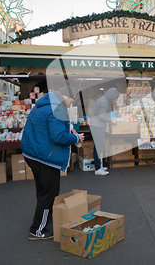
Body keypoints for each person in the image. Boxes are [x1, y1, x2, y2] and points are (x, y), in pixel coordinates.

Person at [21, 86, 84, 240]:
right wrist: (76, 138)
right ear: (65, 96)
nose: (70, 104)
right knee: (49, 193)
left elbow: (47, 127)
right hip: (45, 157)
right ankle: (37, 229)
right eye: (70, 100)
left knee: (43, 191)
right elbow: (58, 137)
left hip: (33, 153)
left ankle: (44, 218)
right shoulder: (58, 109)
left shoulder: (45, 104)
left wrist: (68, 129)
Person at [89, 88, 120, 176]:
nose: (115, 100)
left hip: (95, 125)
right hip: (97, 126)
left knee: (98, 147)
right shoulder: (104, 103)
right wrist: (111, 121)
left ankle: (99, 166)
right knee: (98, 148)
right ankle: (98, 169)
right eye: (115, 98)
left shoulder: (103, 99)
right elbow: (101, 116)